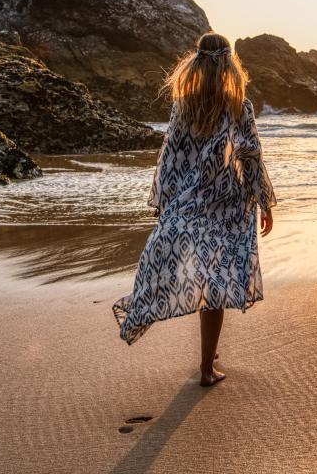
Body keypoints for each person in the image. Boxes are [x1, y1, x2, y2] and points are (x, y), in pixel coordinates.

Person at [113, 31, 276, 386]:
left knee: (202, 276)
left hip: (189, 202)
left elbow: (170, 159)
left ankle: (207, 355)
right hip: (227, 206)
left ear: (198, 62)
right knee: (215, 283)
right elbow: (252, 157)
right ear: (229, 64)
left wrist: (164, 204)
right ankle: (206, 368)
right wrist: (264, 202)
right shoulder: (239, 105)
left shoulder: (183, 105)